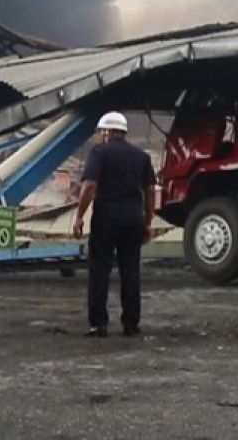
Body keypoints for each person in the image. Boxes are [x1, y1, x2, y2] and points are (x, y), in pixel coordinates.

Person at [73, 111, 156, 337]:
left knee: (99, 270)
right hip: (133, 220)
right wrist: (148, 222)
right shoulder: (141, 157)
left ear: (107, 132)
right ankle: (131, 323)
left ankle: (98, 324)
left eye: (101, 132)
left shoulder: (100, 153)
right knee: (130, 271)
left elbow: (90, 185)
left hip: (106, 220)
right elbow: (150, 192)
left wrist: (79, 216)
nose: (100, 137)